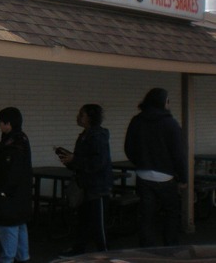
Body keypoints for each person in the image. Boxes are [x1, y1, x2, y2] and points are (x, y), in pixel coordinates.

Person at [124, 87, 187, 247]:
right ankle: (170, 247)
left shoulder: (137, 121)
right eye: (168, 101)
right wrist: (183, 177)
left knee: (147, 215)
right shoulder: (170, 124)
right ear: (163, 102)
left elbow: (129, 148)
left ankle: (146, 249)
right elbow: (179, 154)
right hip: (166, 176)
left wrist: (140, 162)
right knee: (171, 213)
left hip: (143, 174)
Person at [57, 104, 113, 257]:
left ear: (89, 118)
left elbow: (98, 163)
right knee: (84, 220)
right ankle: (79, 249)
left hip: (97, 187)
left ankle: (105, 252)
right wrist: (70, 161)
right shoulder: (86, 135)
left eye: (81, 115)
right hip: (86, 185)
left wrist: (75, 159)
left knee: (98, 223)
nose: (78, 117)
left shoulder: (96, 136)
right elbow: (85, 161)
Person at [0, 107, 33, 263]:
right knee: (20, 229)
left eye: (1, 122)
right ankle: (23, 258)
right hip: (20, 198)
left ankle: (7, 260)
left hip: (8, 200)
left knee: (9, 233)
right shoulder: (21, 140)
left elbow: (10, 172)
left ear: (8, 124)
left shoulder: (11, 145)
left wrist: (3, 192)